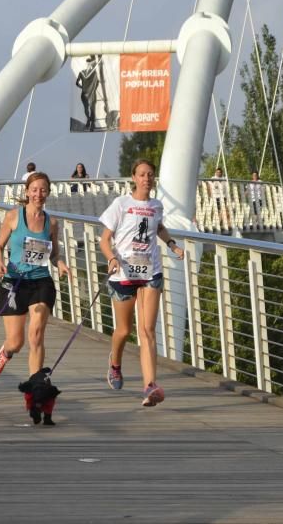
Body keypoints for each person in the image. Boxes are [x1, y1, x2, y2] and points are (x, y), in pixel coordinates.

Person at [99, 159, 184, 407]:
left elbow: (158, 228)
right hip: (124, 273)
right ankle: (115, 364)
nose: (147, 178)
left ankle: (150, 386)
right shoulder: (121, 204)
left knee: (147, 330)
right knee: (124, 331)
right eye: (142, 174)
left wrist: (172, 244)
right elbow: (104, 239)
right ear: (133, 178)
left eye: (151, 175)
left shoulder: (156, 206)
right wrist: (111, 257)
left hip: (150, 273)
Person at [0, 171, 70, 378]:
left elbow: (53, 255)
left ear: (48, 193)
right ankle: (6, 352)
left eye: (43, 190)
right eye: (34, 189)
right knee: (16, 342)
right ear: (27, 192)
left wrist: (60, 263)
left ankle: (35, 384)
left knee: (35, 336)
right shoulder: (14, 216)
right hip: (15, 281)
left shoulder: (51, 223)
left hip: (41, 282)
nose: (38, 194)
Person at [76, 55, 102, 131]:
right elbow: (77, 83)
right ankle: (89, 120)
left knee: (91, 109)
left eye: (89, 63)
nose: (88, 64)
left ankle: (92, 124)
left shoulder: (92, 73)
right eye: (88, 63)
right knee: (87, 109)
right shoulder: (84, 72)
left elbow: (97, 82)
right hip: (86, 93)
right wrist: (85, 88)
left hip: (87, 93)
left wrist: (87, 88)